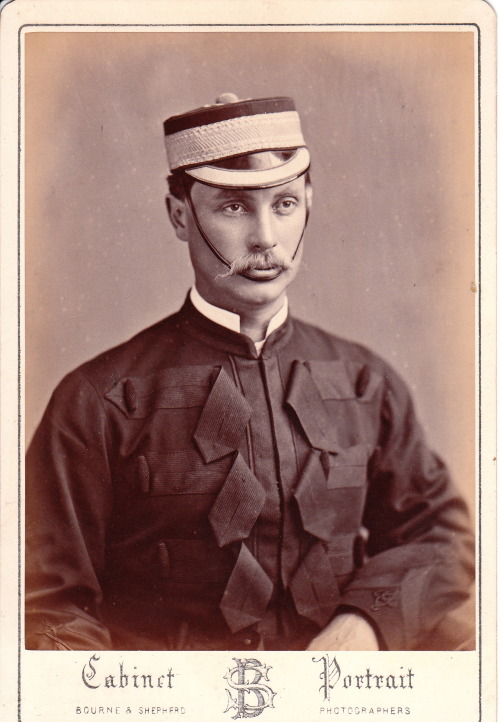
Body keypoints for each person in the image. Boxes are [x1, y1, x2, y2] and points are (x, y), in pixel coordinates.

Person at [25, 93, 474, 651]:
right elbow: (45, 605)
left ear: (309, 203)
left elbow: (440, 537)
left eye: (284, 204)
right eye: (234, 208)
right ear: (180, 216)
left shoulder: (365, 382)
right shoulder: (100, 401)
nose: (265, 239)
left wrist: (369, 621)